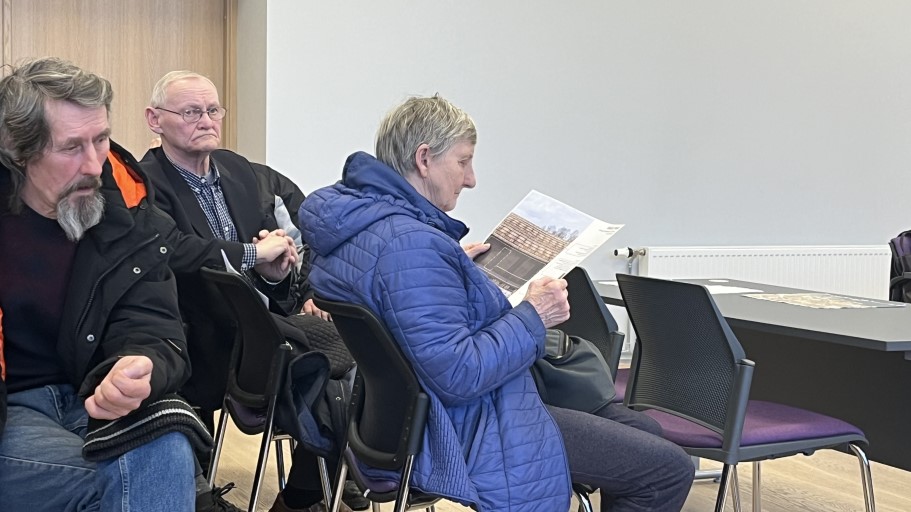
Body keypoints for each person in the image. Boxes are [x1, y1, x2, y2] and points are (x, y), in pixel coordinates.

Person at [298, 95, 696, 511]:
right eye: (463, 162)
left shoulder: (364, 226)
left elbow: (404, 302)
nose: (471, 179)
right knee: (667, 469)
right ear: (424, 159)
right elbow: (460, 374)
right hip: (467, 427)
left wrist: (455, 274)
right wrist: (535, 315)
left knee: (643, 430)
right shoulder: (411, 246)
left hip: (400, 418)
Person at [139, 71, 361, 512]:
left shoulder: (239, 171)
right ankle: (324, 480)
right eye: (191, 112)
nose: (206, 121)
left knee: (351, 352)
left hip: (261, 326)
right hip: (196, 337)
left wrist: (275, 273)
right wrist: (252, 254)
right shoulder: (146, 181)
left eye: (212, 110)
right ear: (154, 119)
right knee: (328, 362)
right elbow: (175, 250)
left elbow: (267, 271)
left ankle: (310, 485)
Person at [0, 57, 197, 510]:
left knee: (167, 446)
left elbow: (155, 325)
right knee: (134, 485)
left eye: (101, 139)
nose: (94, 164)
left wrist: (141, 364)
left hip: (90, 401)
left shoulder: (128, 215)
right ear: (18, 150)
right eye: (71, 147)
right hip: (11, 413)